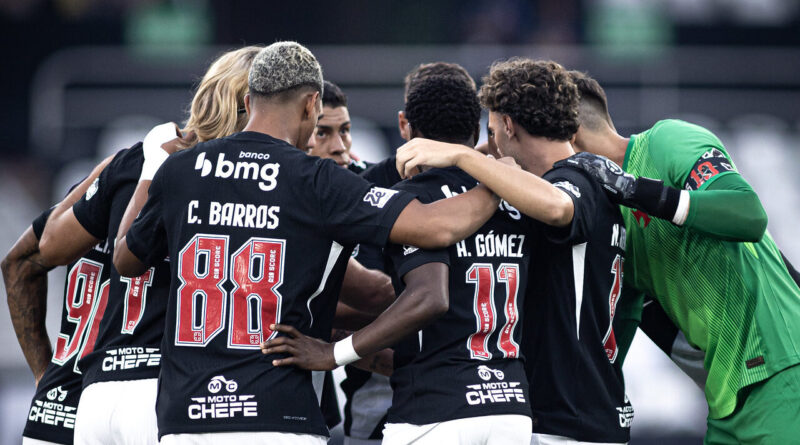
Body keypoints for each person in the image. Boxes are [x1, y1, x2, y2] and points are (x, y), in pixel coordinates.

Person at [112, 41, 501, 444]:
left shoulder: (181, 170)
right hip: (277, 415)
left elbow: (125, 260)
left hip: (186, 418)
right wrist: (497, 176)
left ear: (249, 100)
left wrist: (152, 169)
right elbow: (437, 228)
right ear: (312, 104)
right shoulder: (316, 179)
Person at [394, 58, 634, 444]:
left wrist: (461, 156)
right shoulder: (597, 181)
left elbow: (557, 207)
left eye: (491, 133)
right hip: (591, 407)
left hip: (564, 419)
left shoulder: (574, 180)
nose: (490, 147)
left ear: (508, 125)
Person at [37, 45, 262, 445]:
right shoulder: (251, 179)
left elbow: (44, 250)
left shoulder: (139, 159)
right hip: (174, 389)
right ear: (253, 105)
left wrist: (124, 166)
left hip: (98, 388)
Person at [562, 70, 800, 443]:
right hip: (728, 399)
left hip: (781, 369)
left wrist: (637, 190)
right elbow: (619, 329)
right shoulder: (611, 220)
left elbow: (749, 214)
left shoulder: (667, 141)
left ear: (569, 136)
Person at [3, 158, 114, 445]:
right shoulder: (177, 195)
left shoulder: (83, 199)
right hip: (127, 399)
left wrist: (45, 375)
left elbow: (18, 264)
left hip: (59, 398)